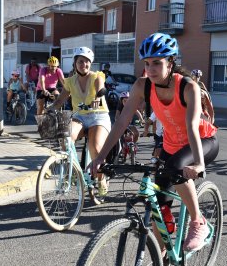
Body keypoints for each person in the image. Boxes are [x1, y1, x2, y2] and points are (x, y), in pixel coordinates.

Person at [91, 32, 219, 254]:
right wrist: (101, 157)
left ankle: (199, 222)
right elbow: (121, 122)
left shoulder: (188, 86)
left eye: (157, 63)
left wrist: (198, 163)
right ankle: (162, 259)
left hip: (202, 142)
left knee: (176, 167)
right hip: (170, 147)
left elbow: (191, 127)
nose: (150, 69)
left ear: (171, 62)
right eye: (147, 63)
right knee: (158, 204)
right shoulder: (142, 85)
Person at [49, 46, 111, 196]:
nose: (84, 65)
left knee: (95, 148)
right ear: (75, 63)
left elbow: (100, 88)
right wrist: (51, 109)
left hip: (98, 116)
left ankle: (101, 179)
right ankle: (71, 173)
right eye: (81, 61)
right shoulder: (70, 81)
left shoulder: (97, 76)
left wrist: (97, 97)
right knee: (66, 138)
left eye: (87, 62)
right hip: (80, 116)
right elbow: (60, 100)